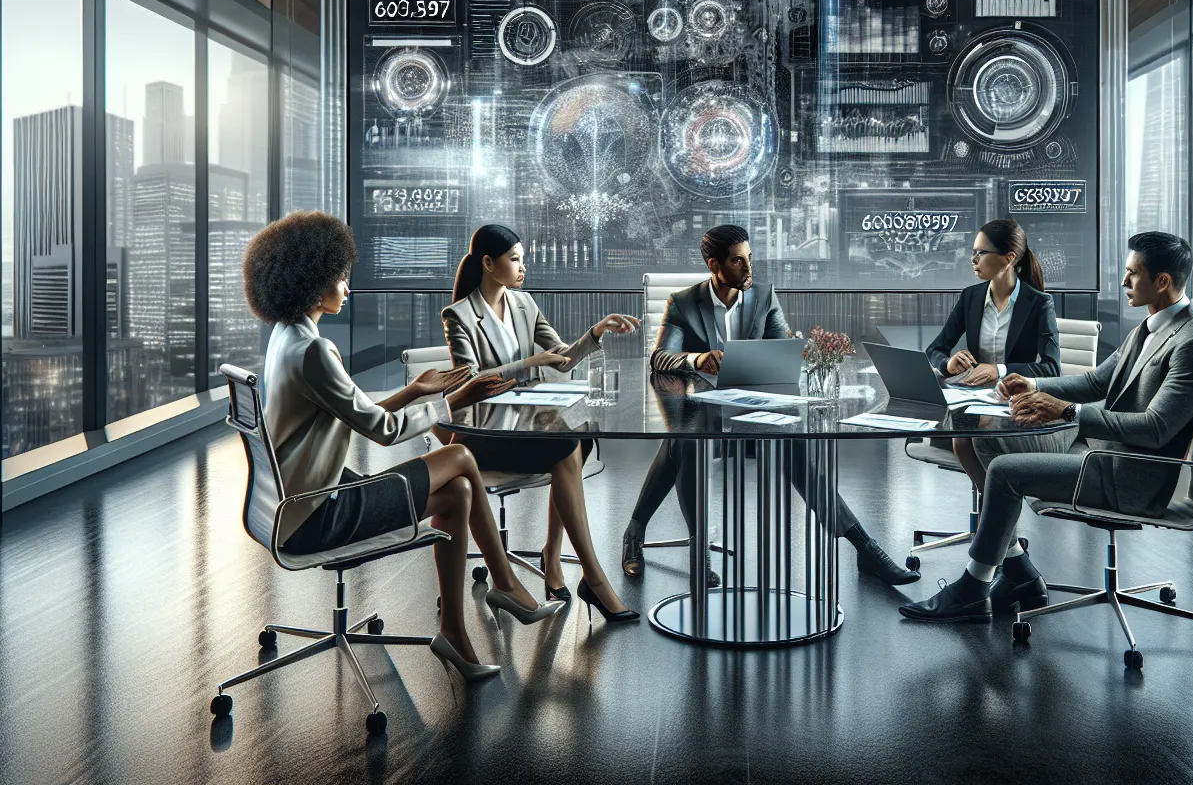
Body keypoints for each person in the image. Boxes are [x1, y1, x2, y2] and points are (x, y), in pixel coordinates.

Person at [245, 212, 560, 680]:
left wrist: (416, 391)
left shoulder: (286, 338)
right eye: (341, 277)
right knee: (458, 455)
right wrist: (452, 400)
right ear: (313, 286)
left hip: (288, 506)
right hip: (317, 512)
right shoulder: (315, 352)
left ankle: (454, 630)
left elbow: (352, 410)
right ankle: (506, 585)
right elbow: (383, 431)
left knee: (457, 493)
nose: (348, 286)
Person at [899, 231, 1193, 623]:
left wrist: (1067, 412)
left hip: (1129, 474)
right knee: (990, 440)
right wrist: (1033, 385)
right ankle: (1019, 572)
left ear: (1162, 281)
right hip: (1097, 448)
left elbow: (1155, 429)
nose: (1124, 282)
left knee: (1003, 472)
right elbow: (1096, 383)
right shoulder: (1153, 325)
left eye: (1132, 274)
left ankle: (973, 587)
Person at [620, 224, 919, 587]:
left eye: (750, 258)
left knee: (798, 453)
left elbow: (784, 352)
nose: (748, 269)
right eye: (737, 261)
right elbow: (660, 358)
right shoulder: (683, 302)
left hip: (753, 409)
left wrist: (791, 351)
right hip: (700, 409)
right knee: (687, 442)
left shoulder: (764, 296)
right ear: (715, 265)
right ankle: (690, 551)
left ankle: (865, 549)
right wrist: (698, 360)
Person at [440, 224, 642, 622]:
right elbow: (470, 383)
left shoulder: (524, 304)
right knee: (567, 446)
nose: (522, 267)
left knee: (579, 441)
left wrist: (596, 332)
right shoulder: (459, 316)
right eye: (514, 259)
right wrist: (528, 364)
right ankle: (593, 577)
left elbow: (563, 358)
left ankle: (554, 559)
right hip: (481, 433)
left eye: (523, 259)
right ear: (488, 263)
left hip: (525, 424)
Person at [925, 218, 1061, 492]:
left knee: (968, 438)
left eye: (981, 253)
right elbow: (935, 350)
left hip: (1014, 400)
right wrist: (949, 364)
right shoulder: (970, 297)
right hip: (973, 396)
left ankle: (995, 516)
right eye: (973, 252)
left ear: (1008, 258)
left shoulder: (1038, 303)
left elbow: (1051, 368)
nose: (973, 259)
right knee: (963, 436)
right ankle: (997, 515)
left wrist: (998, 369)